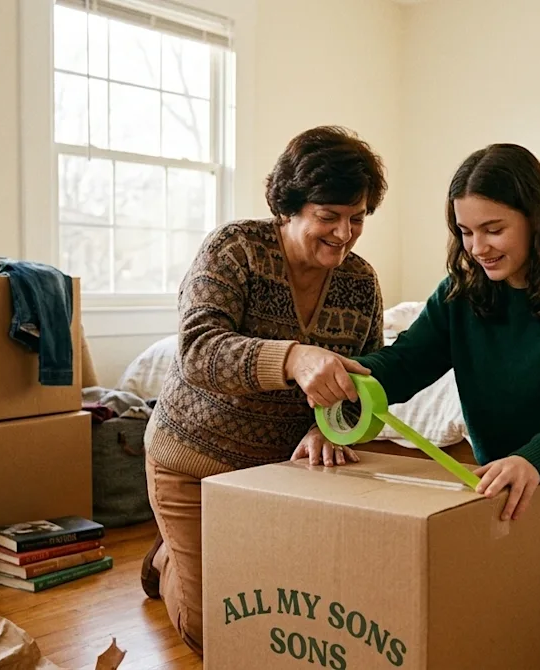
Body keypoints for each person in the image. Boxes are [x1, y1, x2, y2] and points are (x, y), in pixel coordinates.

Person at [293, 143, 540, 669]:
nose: (477, 246)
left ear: (535, 217)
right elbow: (403, 362)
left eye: (493, 229)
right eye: (464, 231)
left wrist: (533, 459)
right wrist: (343, 399)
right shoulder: (462, 292)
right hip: (496, 500)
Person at [138, 126, 389, 657]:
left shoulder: (360, 282)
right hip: (195, 464)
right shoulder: (235, 250)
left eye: (357, 218)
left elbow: (361, 377)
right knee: (219, 635)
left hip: (283, 480)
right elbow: (199, 348)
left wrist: (324, 428)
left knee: (288, 623)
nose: (345, 233)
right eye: (329, 216)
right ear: (289, 207)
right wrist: (292, 358)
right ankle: (166, 561)